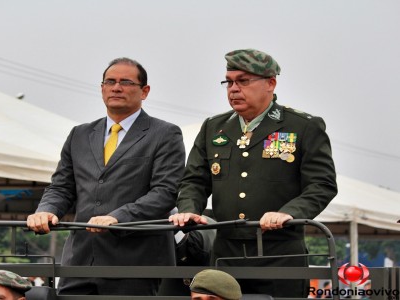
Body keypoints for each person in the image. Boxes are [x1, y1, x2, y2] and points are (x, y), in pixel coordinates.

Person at [170, 48, 338, 297]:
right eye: (228, 82)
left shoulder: (302, 126)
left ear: (271, 83)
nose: (233, 89)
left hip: (280, 254)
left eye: (243, 81)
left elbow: (322, 184)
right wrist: (189, 209)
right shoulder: (214, 127)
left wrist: (289, 213)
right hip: (226, 253)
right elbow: (194, 179)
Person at [27, 57, 186, 295]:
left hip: (136, 262)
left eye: (126, 82)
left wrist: (117, 217)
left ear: (145, 91)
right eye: (110, 81)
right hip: (79, 259)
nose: (116, 87)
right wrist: (46, 210)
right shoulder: (79, 134)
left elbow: (165, 193)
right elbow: (61, 186)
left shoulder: (164, 134)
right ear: (102, 88)